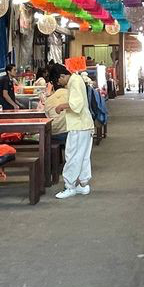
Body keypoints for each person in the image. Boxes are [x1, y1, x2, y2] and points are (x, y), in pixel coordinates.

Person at [50, 63, 94, 198]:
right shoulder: (77, 79)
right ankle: (83, 184)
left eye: (59, 80)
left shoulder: (74, 81)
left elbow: (77, 104)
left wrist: (61, 106)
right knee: (83, 156)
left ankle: (70, 186)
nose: (60, 83)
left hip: (79, 125)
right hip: (84, 125)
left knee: (73, 155)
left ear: (62, 76)